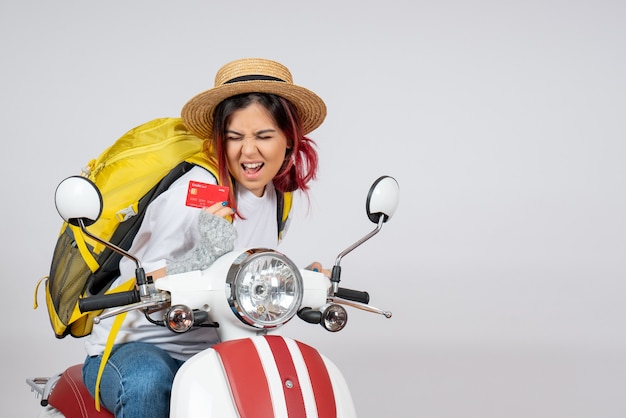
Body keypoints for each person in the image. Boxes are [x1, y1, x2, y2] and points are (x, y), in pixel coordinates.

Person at [81, 57, 327, 417]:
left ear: (289, 140)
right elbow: (142, 285)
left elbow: (245, 274)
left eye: (264, 136)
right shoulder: (196, 190)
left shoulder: (277, 196)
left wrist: (296, 279)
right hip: (136, 346)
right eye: (234, 137)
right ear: (219, 140)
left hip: (218, 345)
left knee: (284, 377)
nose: (249, 151)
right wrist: (204, 255)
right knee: (149, 382)